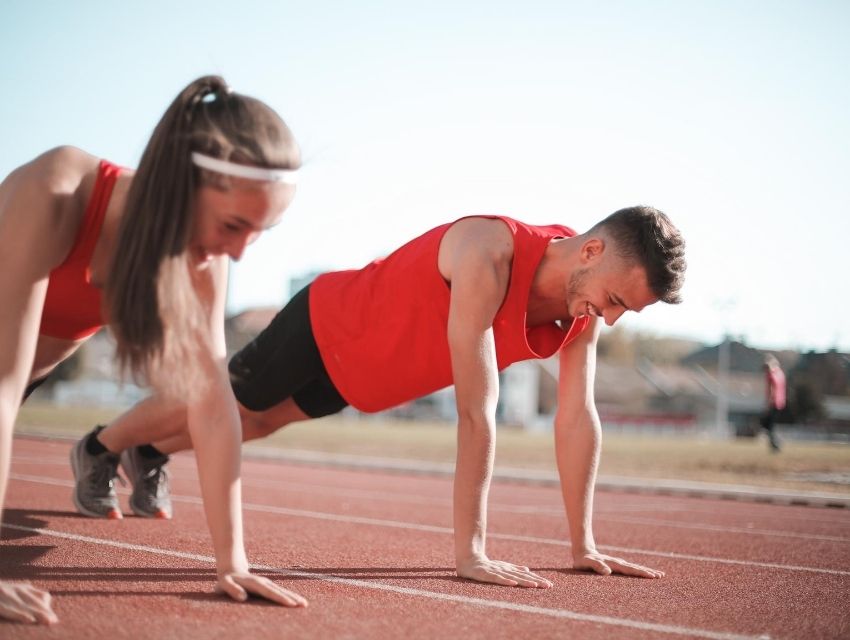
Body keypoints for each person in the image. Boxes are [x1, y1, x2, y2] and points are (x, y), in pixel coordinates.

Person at [84, 206, 685, 589]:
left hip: (369, 376)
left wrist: (582, 544)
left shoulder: (584, 317)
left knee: (260, 424)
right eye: (614, 300)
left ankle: (149, 455)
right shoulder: (489, 251)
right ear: (591, 251)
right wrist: (469, 553)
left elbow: (578, 417)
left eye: (624, 311)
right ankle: (100, 447)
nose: (611, 317)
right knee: (232, 402)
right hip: (330, 321)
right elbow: (477, 411)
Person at [0, 75, 308, 625]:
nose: (238, 253)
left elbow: (212, 406)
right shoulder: (57, 192)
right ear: (178, 185)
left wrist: (231, 562)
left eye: (260, 232)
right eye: (233, 225)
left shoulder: (202, 264)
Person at [761, 354, 786, 452]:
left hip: (773, 403)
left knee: (767, 425)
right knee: (770, 426)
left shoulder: (771, 375)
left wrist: (768, 404)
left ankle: (776, 444)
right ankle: (776, 443)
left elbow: (772, 390)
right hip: (780, 402)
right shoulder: (780, 373)